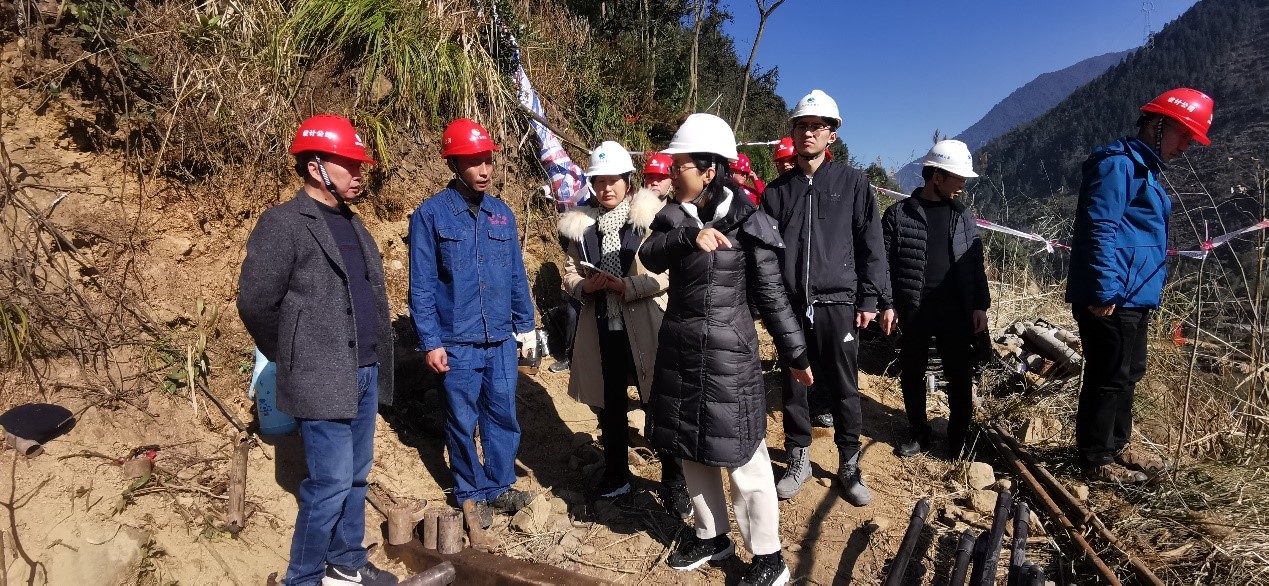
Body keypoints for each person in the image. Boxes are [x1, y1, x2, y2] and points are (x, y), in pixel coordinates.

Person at [640, 113, 812, 586]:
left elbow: (772, 295)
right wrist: (687, 238)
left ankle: (769, 558)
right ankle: (711, 535)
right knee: (692, 449)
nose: (672, 173)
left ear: (709, 170)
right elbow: (650, 254)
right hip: (680, 351)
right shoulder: (674, 216)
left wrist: (795, 354)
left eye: (680, 166)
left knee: (744, 457)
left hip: (729, 358)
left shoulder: (748, 221)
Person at [238, 115, 398, 586]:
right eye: (349, 163)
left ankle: (345, 563)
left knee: (356, 476)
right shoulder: (284, 223)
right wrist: (293, 354)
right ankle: (303, 578)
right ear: (315, 167)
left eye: (359, 163)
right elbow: (255, 302)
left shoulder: (353, 223)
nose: (359, 172)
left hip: (364, 371)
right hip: (320, 376)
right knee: (329, 483)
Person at [1066, 87, 1214, 483]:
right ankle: (1096, 459)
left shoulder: (1144, 170)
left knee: (1129, 371)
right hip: (1112, 294)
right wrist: (1103, 290)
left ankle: (1116, 445)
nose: (1186, 147)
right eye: (1184, 135)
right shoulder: (1118, 166)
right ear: (1158, 124)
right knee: (1108, 373)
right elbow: (1100, 228)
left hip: (1133, 293)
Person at [760, 89, 889, 505]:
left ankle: (849, 463)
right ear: (793, 132)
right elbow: (765, 255)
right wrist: (769, 305)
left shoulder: (852, 183)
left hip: (839, 303)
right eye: (802, 125)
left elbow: (871, 244)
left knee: (845, 386)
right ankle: (798, 457)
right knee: (794, 385)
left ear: (832, 134)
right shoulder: (776, 192)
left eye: (817, 126)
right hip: (792, 306)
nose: (808, 132)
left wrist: (870, 298)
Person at [408, 118, 537, 524]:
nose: (484, 170)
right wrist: (431, 341)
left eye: (488, 161)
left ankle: (499, 486)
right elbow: (422, 285)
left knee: (502, 416)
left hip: (499, 339)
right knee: (462, 421)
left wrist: (526, 326)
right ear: (453, 164)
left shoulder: (502, 215)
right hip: (457, 341)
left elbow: (515, 274)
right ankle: (470, 491)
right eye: (473, 162)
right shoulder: (431, 215)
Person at [557, 141, 691, 516]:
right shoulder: (581, 226)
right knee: (610, 405)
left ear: (627, 181)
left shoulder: (649, 219)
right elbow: (569, 272)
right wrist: (585, 286)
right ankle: (617, 475)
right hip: (602, 324)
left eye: (613, 180)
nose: (606, 188)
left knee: (658, 403)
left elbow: (666, 274)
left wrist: (627, 286)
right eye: (599, 181)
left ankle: (674, 482)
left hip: (645, 324)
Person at [878, 140, 990, 460]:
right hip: (913, 308)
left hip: (955, 310)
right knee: (912, 373)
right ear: (937, 177)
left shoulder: (963, 216)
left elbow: (975, 264)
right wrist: (887, 304)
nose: (963, 185)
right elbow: (883, 264)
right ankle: (919, 432)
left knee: (959, 376)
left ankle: (958, 439)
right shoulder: (899, 215)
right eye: (958, 178)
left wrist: (979, 305)